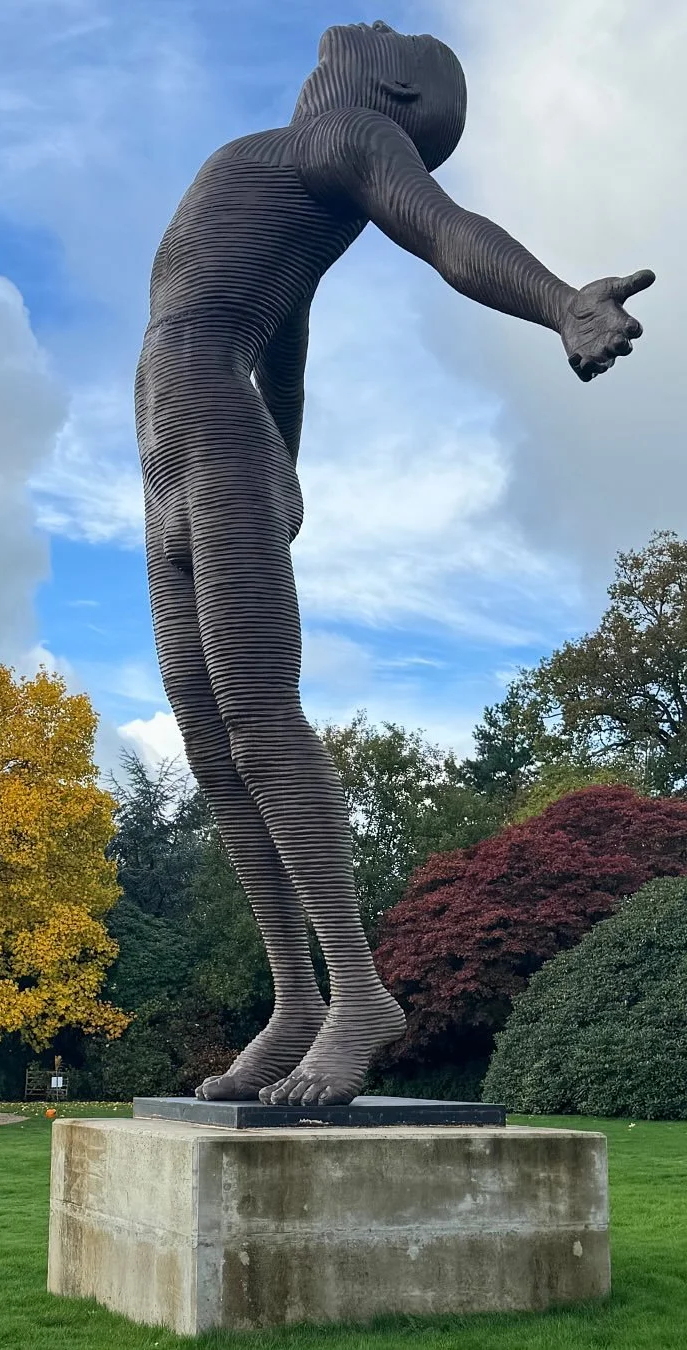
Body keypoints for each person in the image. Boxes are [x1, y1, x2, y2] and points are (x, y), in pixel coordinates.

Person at [134, 20, 654, 1107]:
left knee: (257, 711)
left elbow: (451, 235)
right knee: (201, 719)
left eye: (399, 40)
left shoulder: (352, 138)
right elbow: (285, 344)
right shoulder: (283, 166)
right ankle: (297, 1000)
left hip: (211, 435)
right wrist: (291, 469)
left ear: (396, 97)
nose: (369, 26)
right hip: (180, 452)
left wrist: (563, 303)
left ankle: (359, 994)